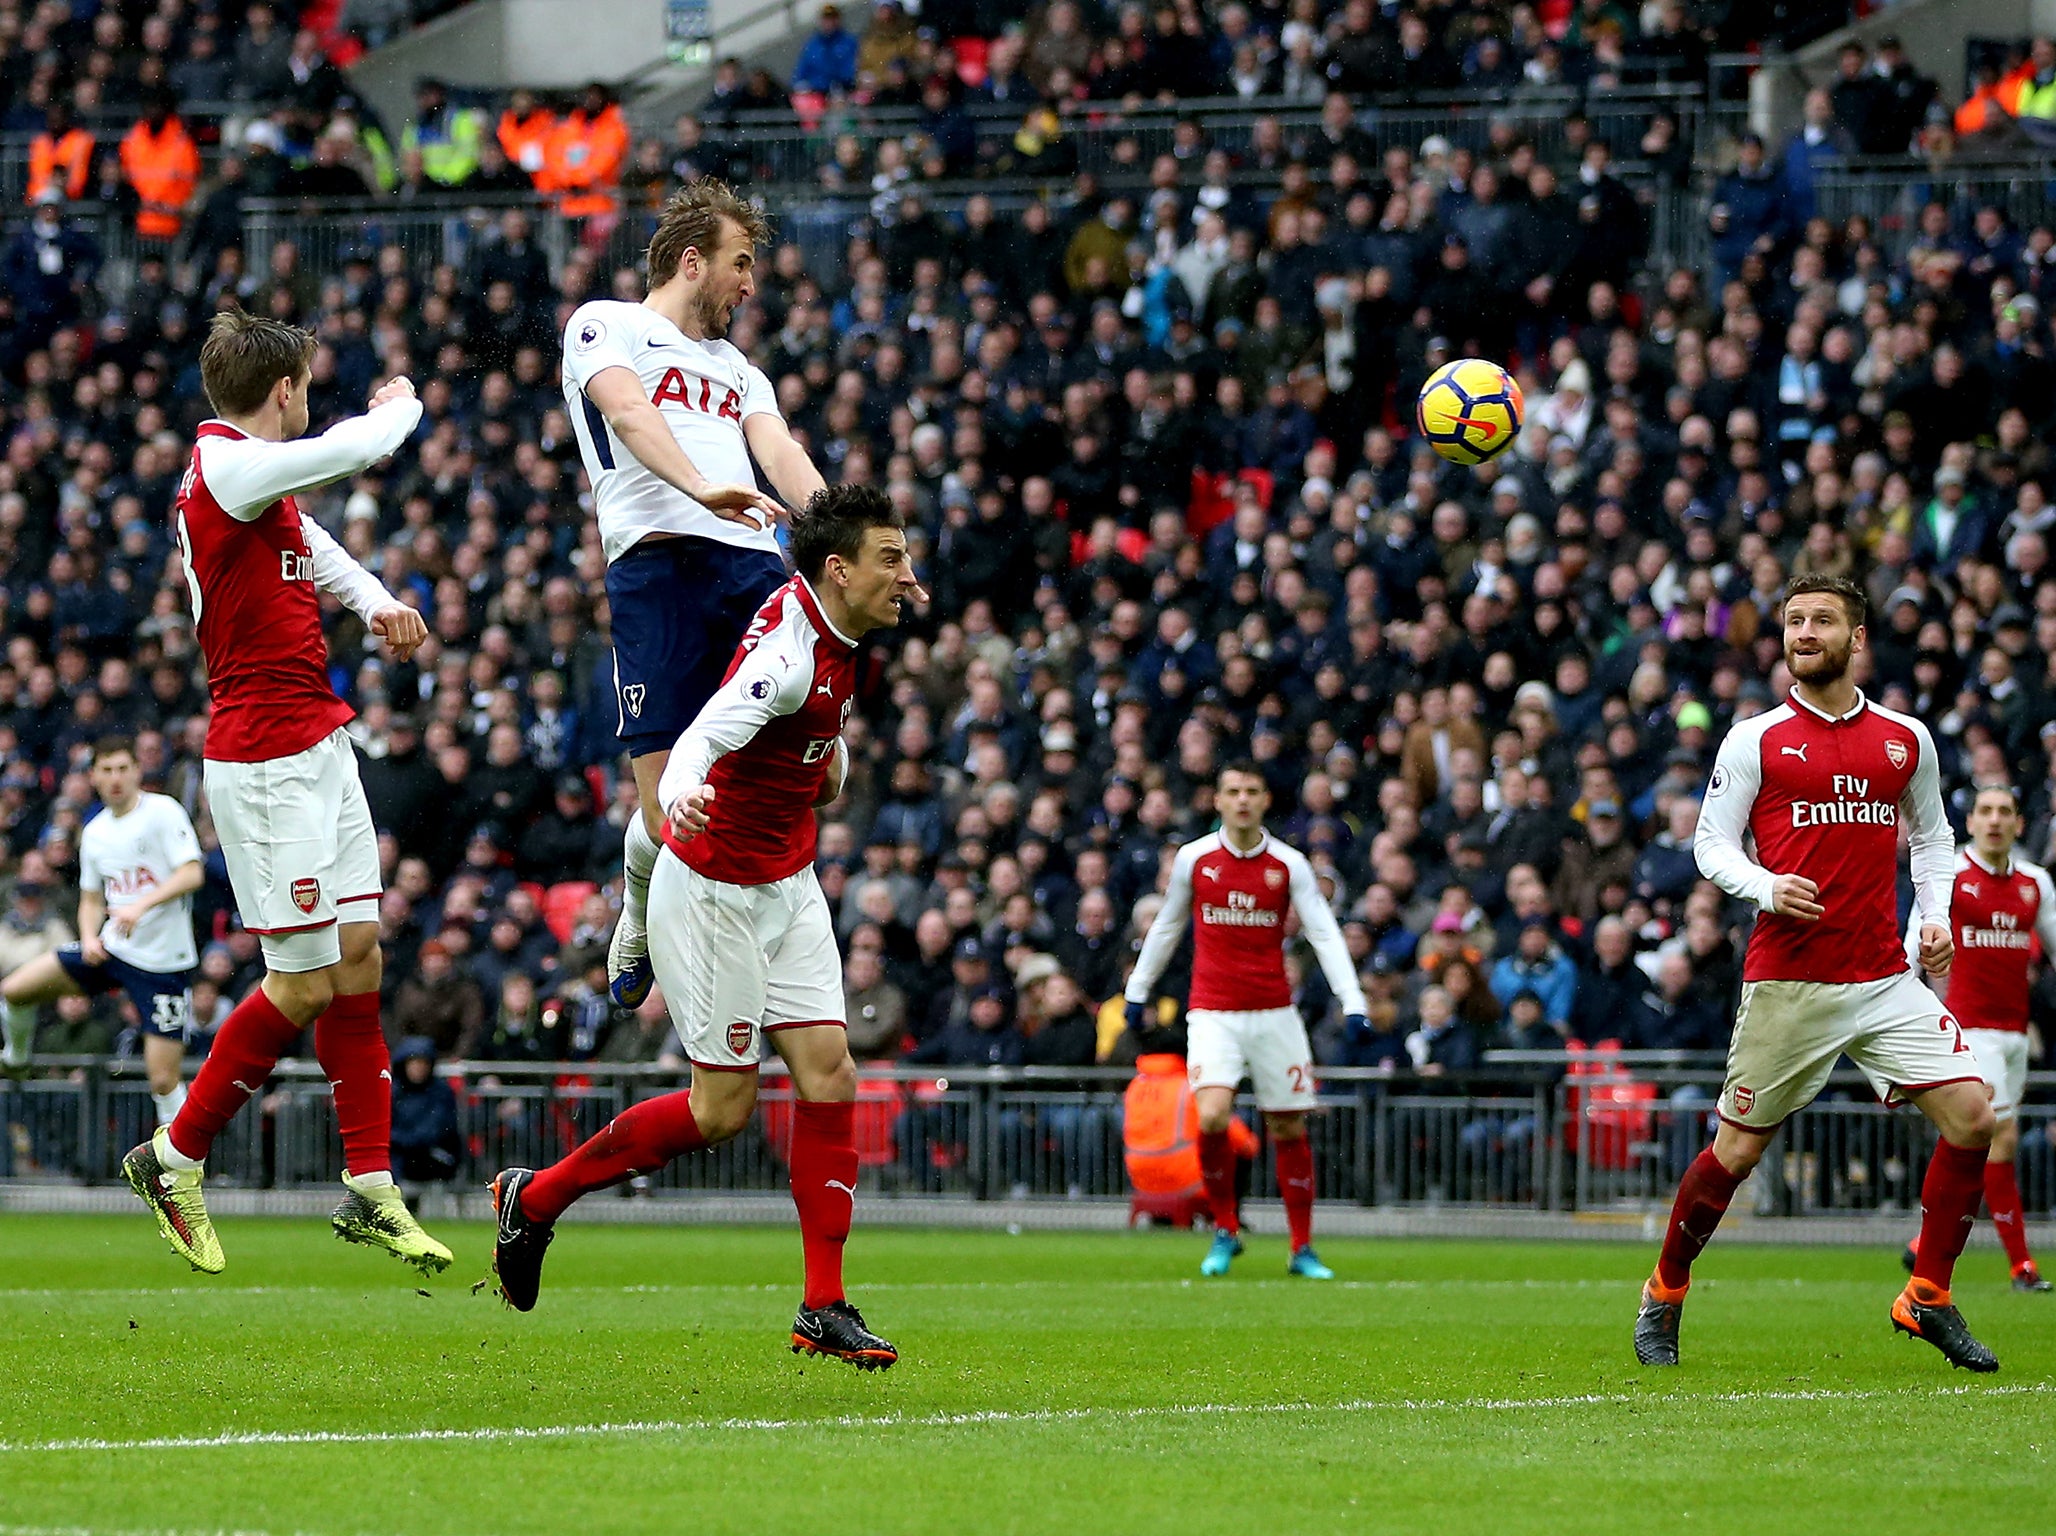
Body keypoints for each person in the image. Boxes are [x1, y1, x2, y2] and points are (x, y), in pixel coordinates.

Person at [490, 485, 921, 1369]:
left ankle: (823, 1305)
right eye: (891, 559)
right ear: (839, 571)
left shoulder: (829, 620)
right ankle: (534, 1200)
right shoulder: (792, 657)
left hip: (788, 880)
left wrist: (823, 759)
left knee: (830, 1075)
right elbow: (709, 732)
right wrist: (680, 791)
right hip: (717, 886)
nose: (907, 577)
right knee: (720, 1110)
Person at [119, 309, 450, 1279]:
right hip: (262, 762)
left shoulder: (259, 486)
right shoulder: (225, 467)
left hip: (318, 738)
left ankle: (370, 1187)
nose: (309, 399)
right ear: (283, 393)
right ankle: (173, 1158)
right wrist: (404, 406)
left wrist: (377, 599)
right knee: (300, 981)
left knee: (358, 954)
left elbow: (316, 545)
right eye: (303, 385)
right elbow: (353, 453)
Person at [1637, 574, 1999, 1372]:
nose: (1805, 632)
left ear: (1857, 640)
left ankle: (1926, 1296)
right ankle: (1664, 1291)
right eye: (1795, 620)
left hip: (1880, 977)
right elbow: (1710, 845)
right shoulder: (1754, 738)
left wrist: (1930, 918)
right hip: (1789, 983)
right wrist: (1766, 886)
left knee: (1975, 1118)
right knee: (1735, 1156)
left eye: (1822, 621)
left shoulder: (1906, 739)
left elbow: (1934, 841)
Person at [559, 180, 828, 1012]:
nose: (751, 285)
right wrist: (701, 485)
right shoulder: (605, 323)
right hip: (658, 567)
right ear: (691, 259)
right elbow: (630, 413)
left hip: (752, 565)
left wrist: (846, 537)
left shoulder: (738, 368)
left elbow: (779, 451)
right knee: (670, 807)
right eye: (741, 264)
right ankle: (636, 910)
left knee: (807, 767)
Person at [1122, 760, 1370, 1279]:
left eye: (1251, 791)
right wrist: (1138, 990)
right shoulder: (1195, 859)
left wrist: (1353, 1000)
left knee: (1286, 1125)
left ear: (1263, 801)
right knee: (1211, 1114)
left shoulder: (1288, 864)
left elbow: (1324, 931)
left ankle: (1301, 1247)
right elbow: (1167, 926)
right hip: (1213, 1011)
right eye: (1232, 790)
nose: (1241, 800)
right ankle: (1225, 1229)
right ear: (1217, 800)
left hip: (1275, 1013)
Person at [1898, 784, 2056, 1292]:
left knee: (1974, 1144)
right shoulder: (1951, 880)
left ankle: (1925, 1244)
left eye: (2004, 811)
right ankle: (2021, 1265)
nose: (1994, 820)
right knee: (1998, 1140)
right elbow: (1911, 951)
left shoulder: (2035, 884)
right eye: (1985, 811)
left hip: (2014, 1035)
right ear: (1970, 824)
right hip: (1969, 1029)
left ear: (2018, 824)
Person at [0, 737, 201, 1130]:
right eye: (106, 770)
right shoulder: (95, 831)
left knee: (163, 1079)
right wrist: (90, 937)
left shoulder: (162, 812)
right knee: (14, 990)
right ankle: (17, 1059)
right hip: (112, 948)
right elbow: (91, 899)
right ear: (92, 776)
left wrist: (140, 907)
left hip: (163, 962)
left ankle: (180, 1163)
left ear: (137, 771)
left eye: (123, 769)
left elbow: (191, 873)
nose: (115, 778)